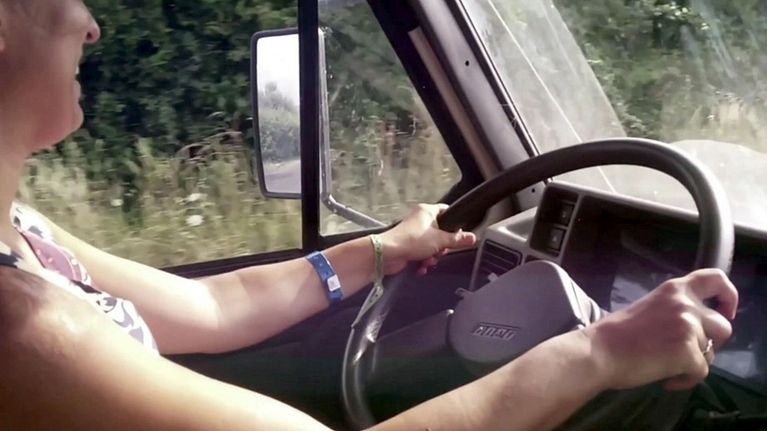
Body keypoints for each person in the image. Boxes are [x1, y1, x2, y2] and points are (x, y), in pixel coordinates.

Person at [0, 1, 739, 430]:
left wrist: (380, 250)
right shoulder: (22, 328)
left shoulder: (21, 230)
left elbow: (212, 307)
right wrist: (600, 352)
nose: (90, 25)